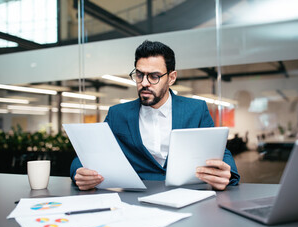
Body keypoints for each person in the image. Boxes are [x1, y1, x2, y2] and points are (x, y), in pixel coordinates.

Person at [70, 40, 240, 190]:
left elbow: (220, 152)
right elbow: (90, 154)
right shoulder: (118, 114)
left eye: (154, 76)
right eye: (139, 74)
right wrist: (79, 172)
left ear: (171, 77)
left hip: (187, 194)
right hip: (136, 197)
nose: (144, 83)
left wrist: (228, 174)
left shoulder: (196, 109)